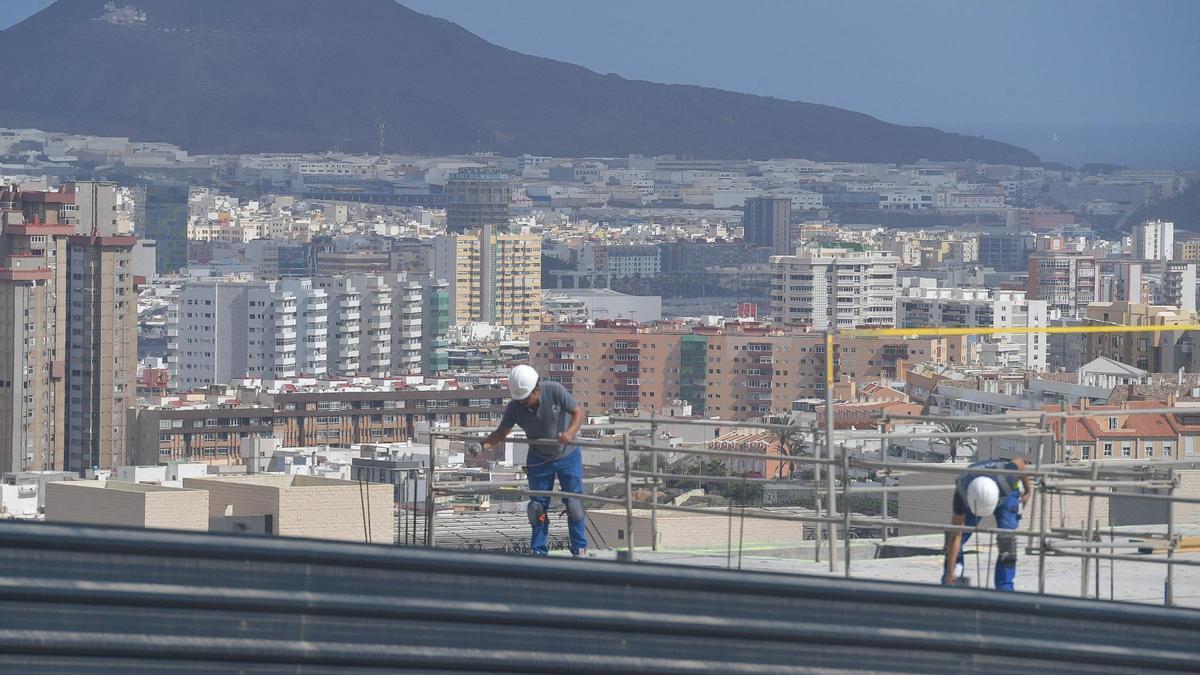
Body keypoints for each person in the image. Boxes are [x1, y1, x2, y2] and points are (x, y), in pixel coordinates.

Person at [472, 364, 589, 557]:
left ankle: (579, 548)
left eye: (526, 398)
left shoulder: (555, 391)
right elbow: (501, 433)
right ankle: (538, 550)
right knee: (537, 507)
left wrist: (569, 433)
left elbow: (578, 412)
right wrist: (481, 446)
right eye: (520, 399)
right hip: (539, 457)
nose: (524, 403)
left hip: (567, 455)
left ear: (537, 389)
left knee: (574, 503)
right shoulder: (515, 407)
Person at [942, 456, 1033, 591]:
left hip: (1006, 495)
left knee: (1007, 540)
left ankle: (1004, 589)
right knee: (952, 538)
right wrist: (950, 571)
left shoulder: (1007, 478)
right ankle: (952, 579)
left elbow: (1020, 462)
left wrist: (1028, 490)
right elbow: (956, 534)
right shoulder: (962, 491)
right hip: (975, 495)